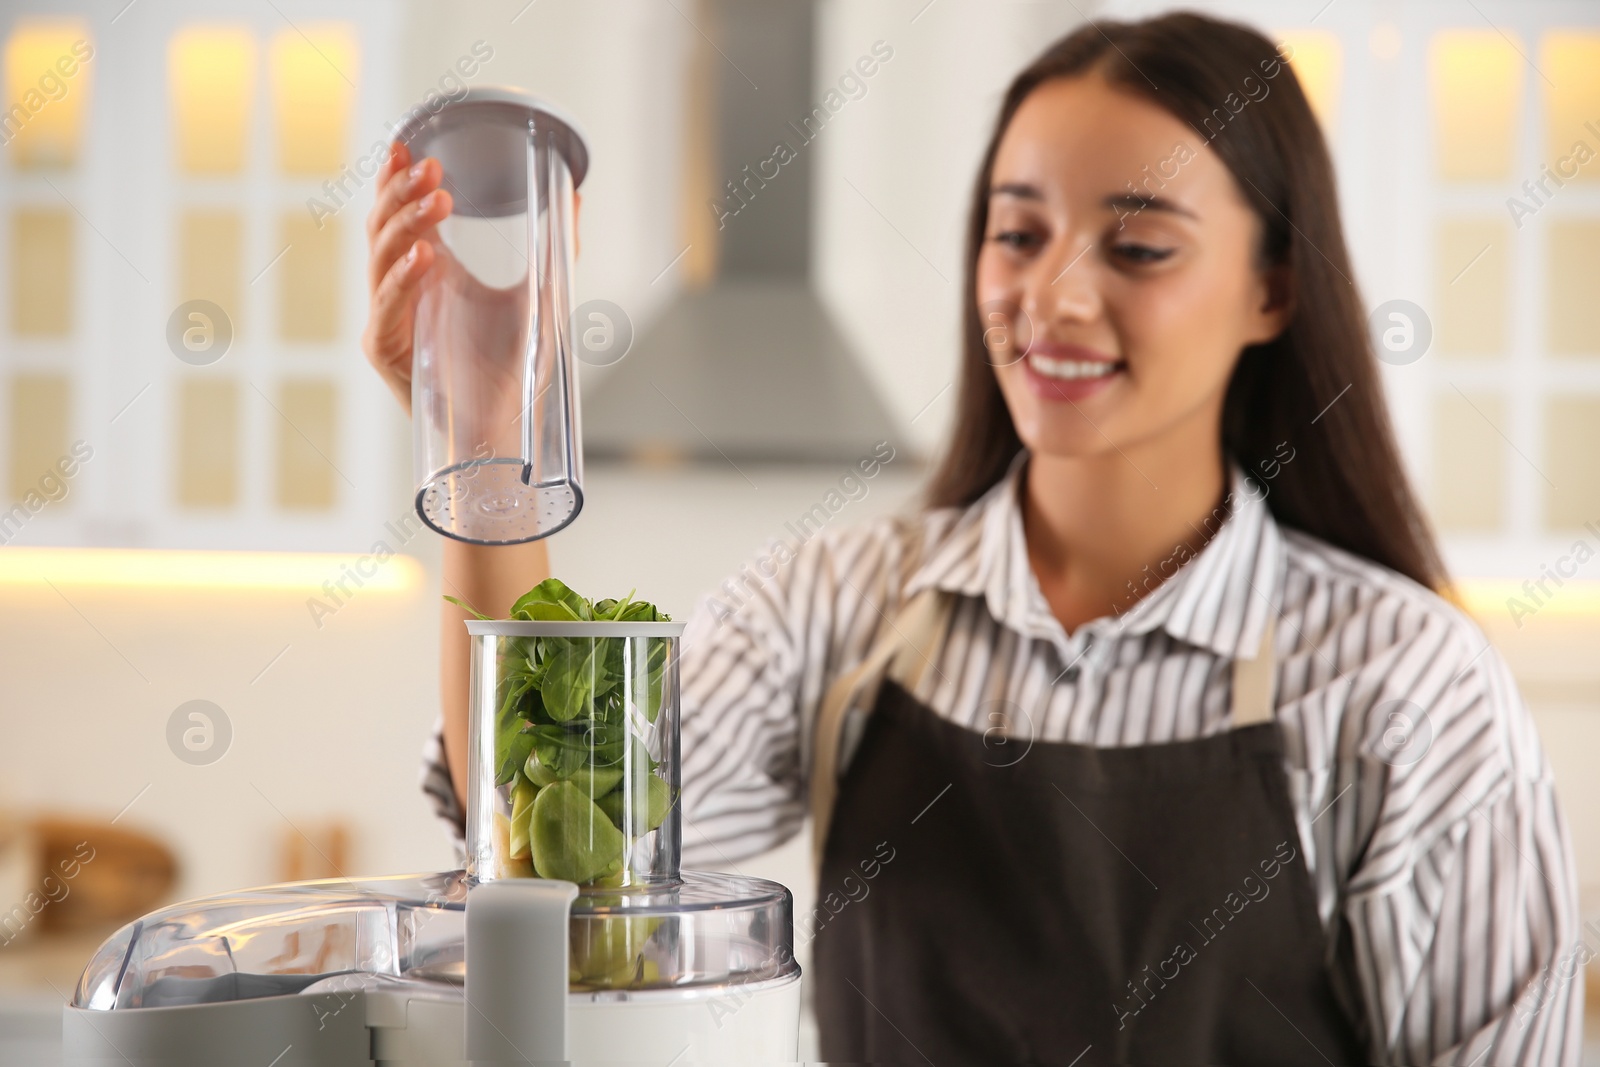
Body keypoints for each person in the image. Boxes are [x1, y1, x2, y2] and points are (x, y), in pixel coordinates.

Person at [362, 12, 1581, 1065]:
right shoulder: (830, 606)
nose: (1050, 295)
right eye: (1017, 232)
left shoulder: (1407, 687)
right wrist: (486, 430)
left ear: (1275, 287)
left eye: (1139, 245)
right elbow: (574, 892)